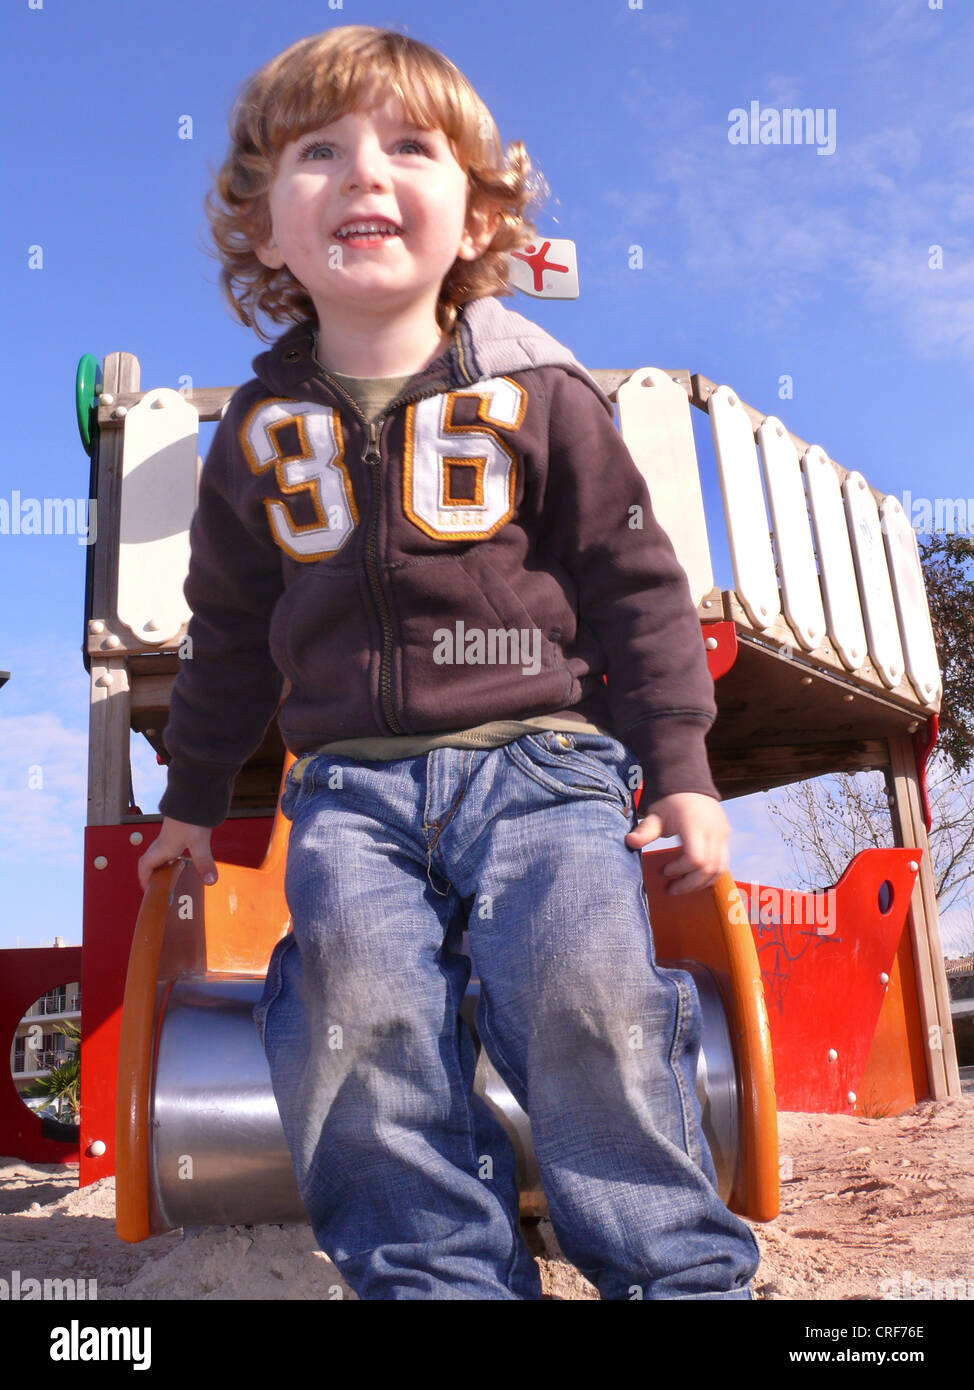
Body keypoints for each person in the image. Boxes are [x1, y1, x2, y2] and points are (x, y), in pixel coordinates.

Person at [137, 24, 761, 1300]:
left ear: (478, 218)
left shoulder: (538, 392)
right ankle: (436, 1275)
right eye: (319, 151)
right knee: (356, 1022)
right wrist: (194, 803)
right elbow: (225, 629)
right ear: (265, 229)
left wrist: (681, 770)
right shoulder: (260, 435)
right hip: (349, 791)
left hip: (541, 767)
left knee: (583, 990)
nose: (364, 174)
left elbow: (635, 587)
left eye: (408, 147)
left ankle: (672, 1268)